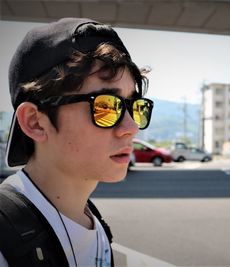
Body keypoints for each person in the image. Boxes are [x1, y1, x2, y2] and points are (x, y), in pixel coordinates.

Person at [0, 17, 153, 266]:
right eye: (105, 107)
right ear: (35, 122)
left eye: (134, 106)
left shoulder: (92, 222)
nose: (131, 128)